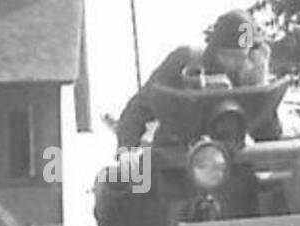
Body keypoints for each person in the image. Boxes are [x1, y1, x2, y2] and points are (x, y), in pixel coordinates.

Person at [114, 9, 278, 150]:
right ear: (215, 49)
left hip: (234, 166)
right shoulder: (187, 62)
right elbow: (137, 111)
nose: (232, 64)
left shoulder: (249, 77)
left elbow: (269, 136)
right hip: (176, 162)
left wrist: (258, 87)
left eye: (240, 58)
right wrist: (128, 158)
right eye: (227, 56)